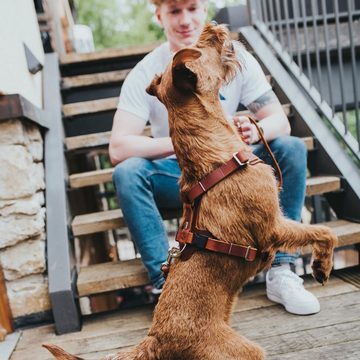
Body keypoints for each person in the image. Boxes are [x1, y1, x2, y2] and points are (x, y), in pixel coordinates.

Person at [109, 0, 320, 315]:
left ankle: (282, 269)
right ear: (159, 16)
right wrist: (185, 140)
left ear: (204, 8)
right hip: (187, 177)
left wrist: (255, 128)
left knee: (290, 147)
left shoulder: (235, 57)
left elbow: (280, 120)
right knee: (128, 173)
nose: (185, 20)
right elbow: (119, 148)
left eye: (192, 8)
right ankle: (167, 285)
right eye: (174, 11)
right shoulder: (146, 71)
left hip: (236, 170)